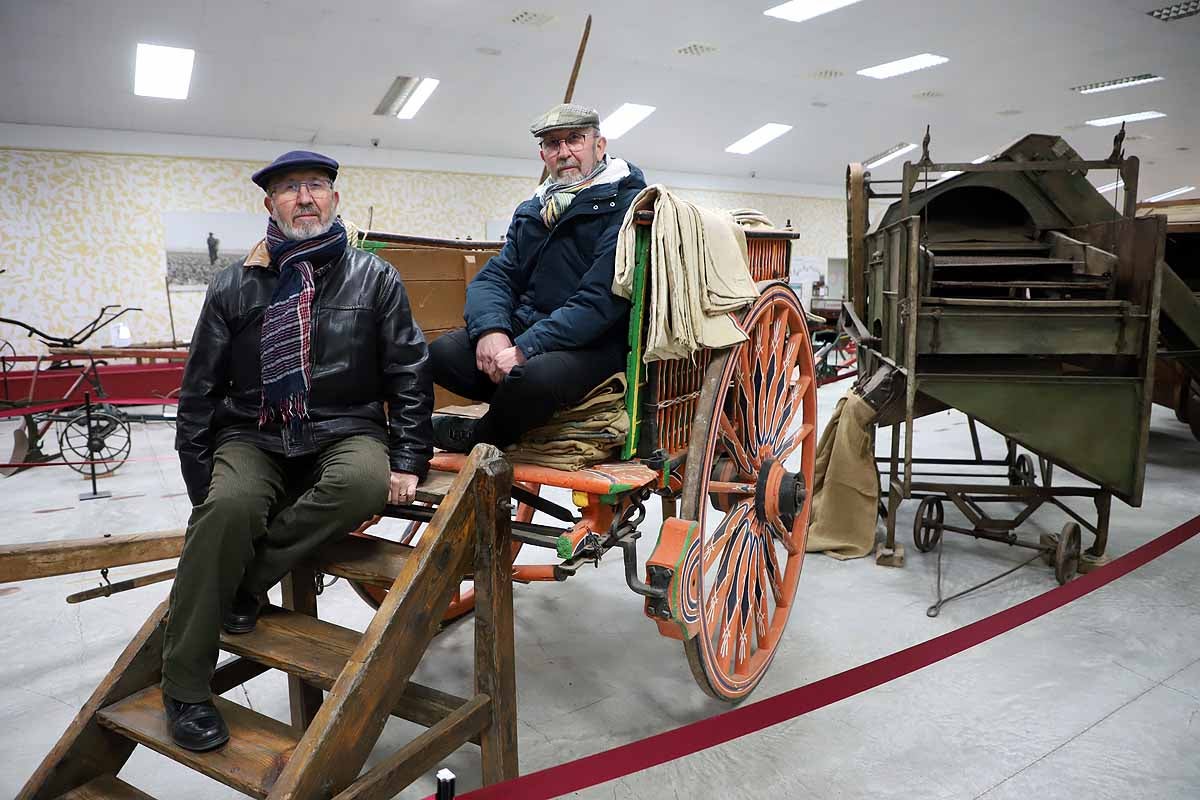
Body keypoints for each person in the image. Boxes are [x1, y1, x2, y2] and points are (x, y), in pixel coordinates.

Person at [164, 150, 433, 751]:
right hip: (253, 432)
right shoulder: (234, 283)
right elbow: (199, 390)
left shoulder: (375, 277)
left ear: (335, 200)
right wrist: (201, 485)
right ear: (270, 206)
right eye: (288, 189)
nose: (304, 198)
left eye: (315, 186)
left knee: (363, 483)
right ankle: (183, 687)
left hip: (345, 427)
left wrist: (410, 457)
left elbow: (408, 371)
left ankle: (243, 583)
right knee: (227, 510)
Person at [429, 103, 646, 452]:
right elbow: (497, 277)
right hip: (528, 329)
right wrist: (492, 331)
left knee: (534, 378)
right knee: (441, 354)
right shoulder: (534, 209)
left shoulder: (626, 205)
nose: (564, 152)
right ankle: (523, 409)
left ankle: (483, 435)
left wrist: (526, 349)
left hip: (592, 344)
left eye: (574, 139)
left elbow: (599, 300)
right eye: (552, 144)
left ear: (599, 145)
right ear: (543, 154)